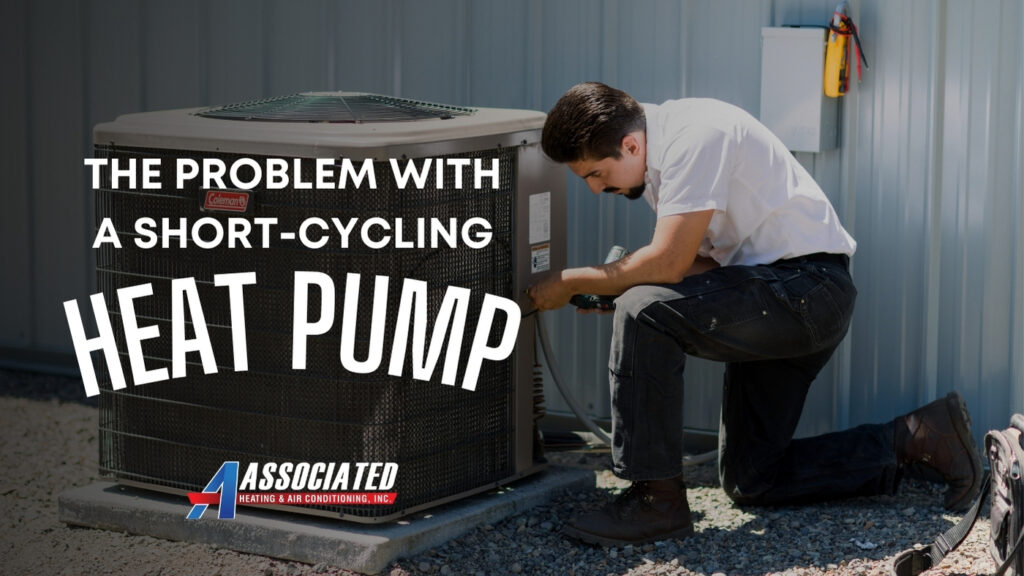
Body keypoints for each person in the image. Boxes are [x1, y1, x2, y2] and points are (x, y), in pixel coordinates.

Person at [527, 82, 984, 547]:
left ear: (630, 144)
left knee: (643, 312)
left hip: (805, 290)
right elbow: (697, 263)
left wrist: (572, 281)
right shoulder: (660, 160)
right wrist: (629, 282)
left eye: (596, 174)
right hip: (779, 292)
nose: (596, 187)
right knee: (752, 478)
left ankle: (655, 502)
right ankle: (920, 437)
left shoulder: (693, 136)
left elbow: (668, 261)